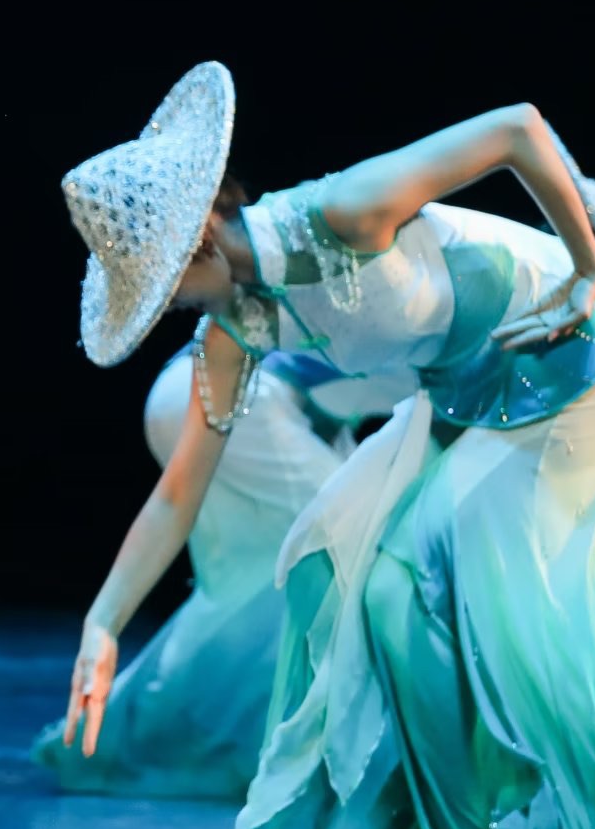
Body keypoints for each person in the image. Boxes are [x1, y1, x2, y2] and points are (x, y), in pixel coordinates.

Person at [57, 62, 595, 829]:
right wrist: (103, 623)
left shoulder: (343, 212)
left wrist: (588, 269)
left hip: (576, 365)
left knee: (397, 586)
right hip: (466, 389)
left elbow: (518, 126)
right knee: (320, 565)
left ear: (199, 241)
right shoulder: (236, 324)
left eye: (162, 285)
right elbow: (178, 494)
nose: (165, 307)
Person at [37, 335, 409, 800]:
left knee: (249, 592)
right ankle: (353, 762)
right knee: (363, 559)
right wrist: (102, 622)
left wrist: (103, 622)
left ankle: (138, 737)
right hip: (245, 404)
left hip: (201, 392)